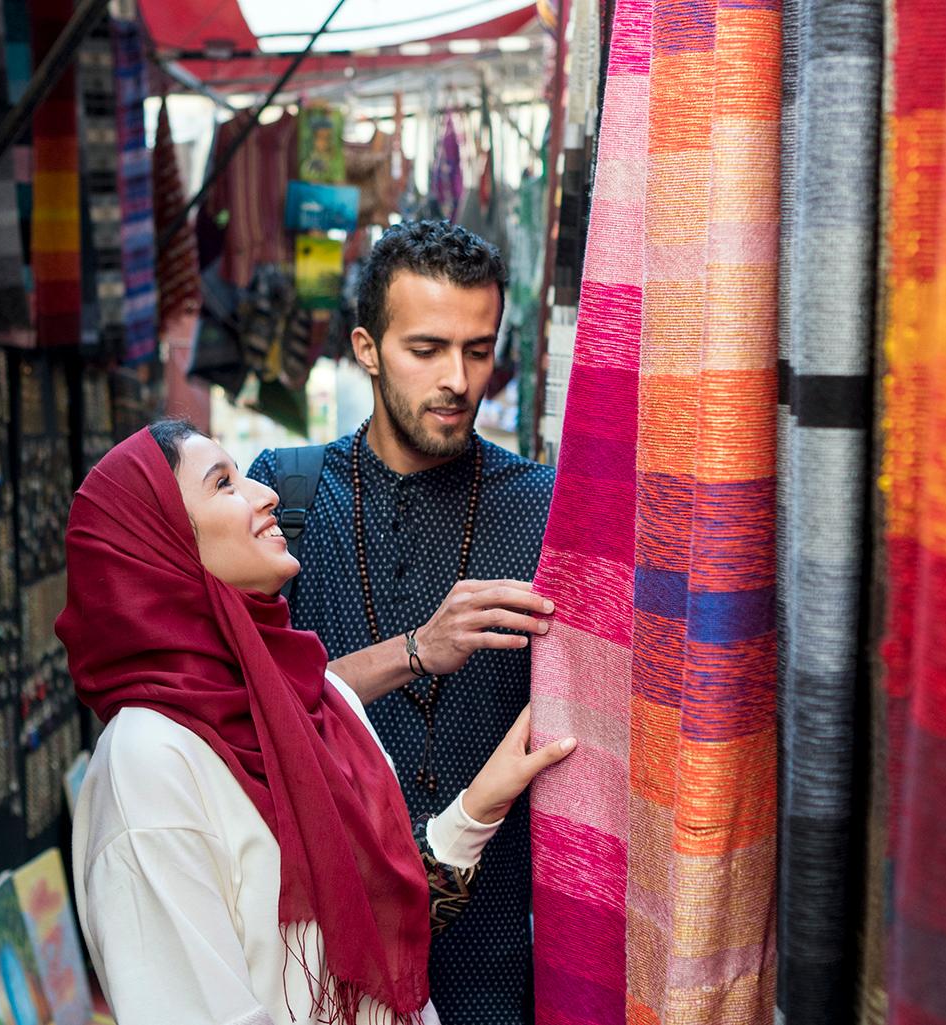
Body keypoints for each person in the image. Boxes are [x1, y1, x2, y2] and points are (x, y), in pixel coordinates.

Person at [58, 420, 574, 1025]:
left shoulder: (312, 701)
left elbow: (382, 907)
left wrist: (485, 799)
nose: (264, 494)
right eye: (223, 484)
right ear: (160, 546)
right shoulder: (148, 762)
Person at [247, 221, 556, 1025]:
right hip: (320, 961)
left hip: (496, 967)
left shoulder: (544, 508)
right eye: (427, 349)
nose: (458, 378)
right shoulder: (285, 496)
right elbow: (249, 710)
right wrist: (419, 649)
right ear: (367, 346)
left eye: (478, 349)